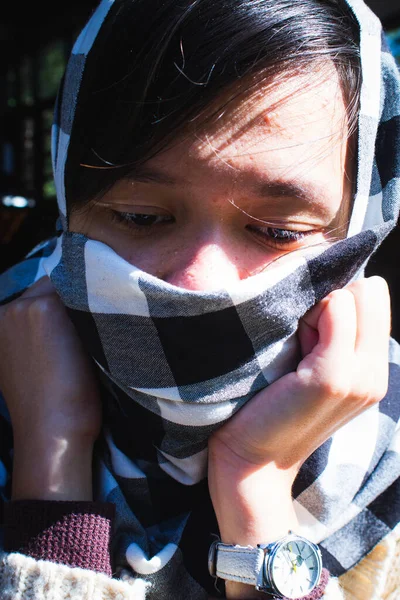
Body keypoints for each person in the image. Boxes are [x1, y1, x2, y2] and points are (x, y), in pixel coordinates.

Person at [0, 0, 399, 598]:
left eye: (278, 231)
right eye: (141, 216)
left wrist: (256, 482)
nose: (199, 282)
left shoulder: (383, 467)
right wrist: (51, 449)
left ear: (360, 227)